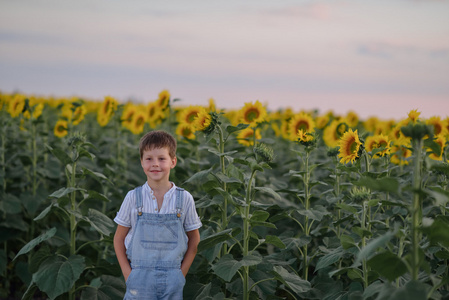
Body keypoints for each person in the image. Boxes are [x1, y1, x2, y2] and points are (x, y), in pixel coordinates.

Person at [113, 130, 202, 299]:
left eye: (161, 158)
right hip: (138, 280)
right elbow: (118, 239)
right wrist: (128, 274)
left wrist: (181, 275)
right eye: (149, 159)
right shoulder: (133, 198)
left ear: (173, 162)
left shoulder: (184, 199)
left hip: (173, 280)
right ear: (141, 162)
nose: (155, 164)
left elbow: (194, 239)